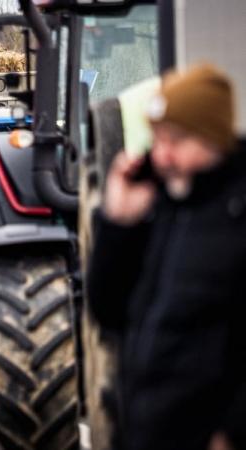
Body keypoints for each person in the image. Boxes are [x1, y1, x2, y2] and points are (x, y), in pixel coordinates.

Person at [87, 63, 245, 450]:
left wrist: (233, 432)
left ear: (212, 136)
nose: (162, 155)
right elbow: (108, 312)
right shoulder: (164, 207)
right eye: (157, 139)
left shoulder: (235, 214)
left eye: (175, 140)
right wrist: (118, 224)